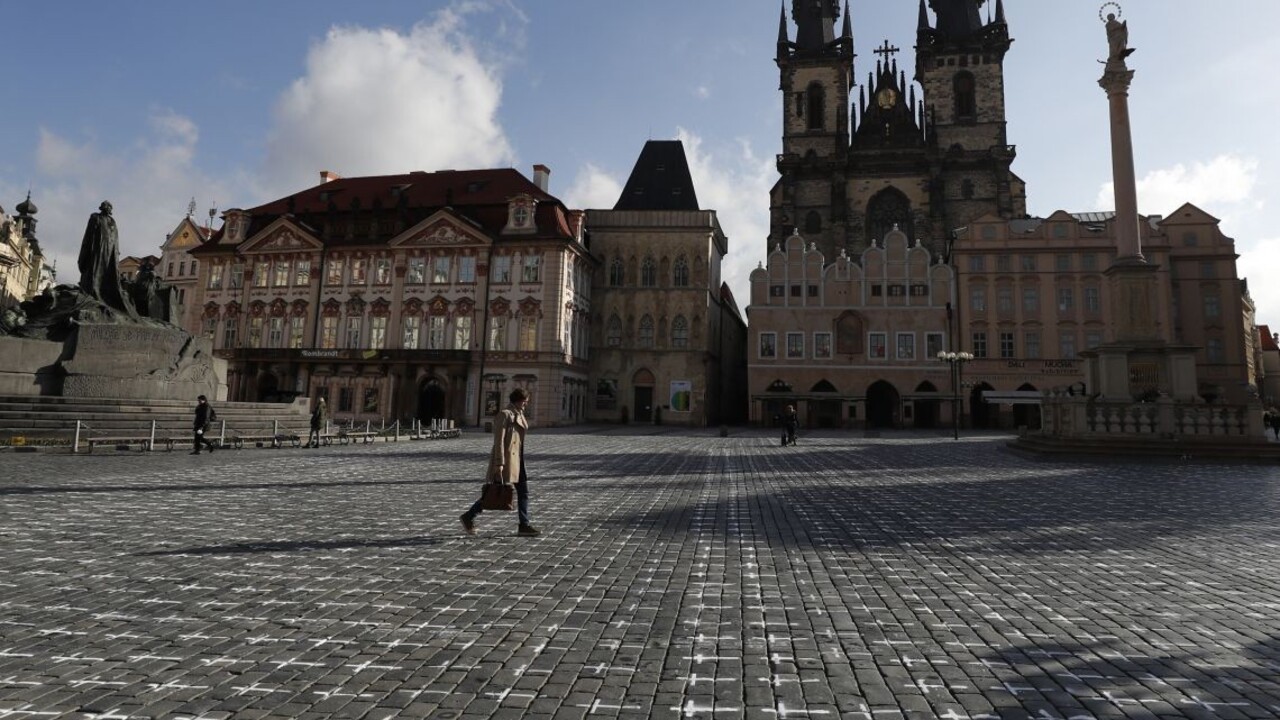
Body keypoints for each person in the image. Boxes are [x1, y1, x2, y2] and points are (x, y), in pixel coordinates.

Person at [461, 388, 540, 536]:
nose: (526, 404)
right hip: (506, 460)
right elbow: (498, 441)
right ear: (518, 400)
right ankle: (468, 516)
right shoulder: (504, 415)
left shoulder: (519, 414)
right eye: (525, 401)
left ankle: (524, 524)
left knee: (523, 492)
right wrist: (499, 463)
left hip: (518, 460)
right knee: (493, 493)